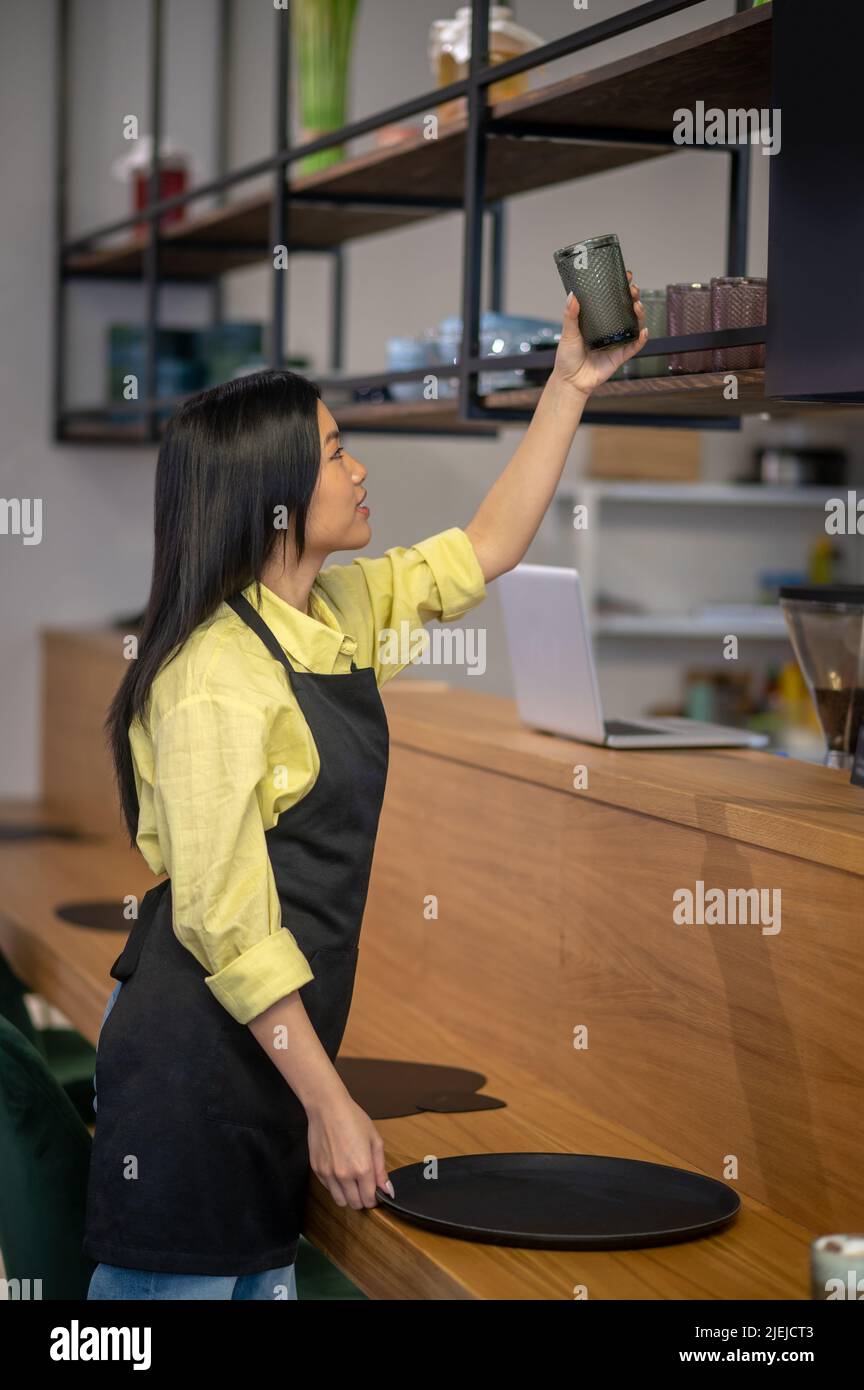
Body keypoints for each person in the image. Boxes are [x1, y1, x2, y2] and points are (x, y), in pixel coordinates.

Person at [84, 281, 647, 1299]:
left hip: (273, 1053)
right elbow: (228, 924)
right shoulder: (211, 676)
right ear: (279, 495)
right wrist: (331, 1102)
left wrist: (570, 383)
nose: (359, 465)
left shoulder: (333, 609)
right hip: (192, 1068)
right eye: (337, 449)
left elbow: (485, 549)